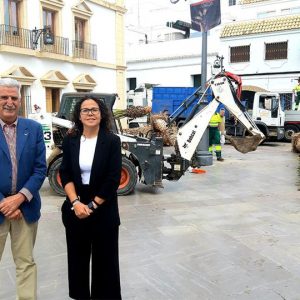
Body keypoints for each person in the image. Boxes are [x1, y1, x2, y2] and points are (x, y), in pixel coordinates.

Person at [59, 96, 122, 300]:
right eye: (85, 110)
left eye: (94, 109)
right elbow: (65, 173)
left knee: (106, 263)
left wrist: (93, 205)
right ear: (79, 115)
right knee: (77, 262)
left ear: (102, 113)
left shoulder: (112, 140)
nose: (90, 113)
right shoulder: (71, 140)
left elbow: (113, 178)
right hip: (76, 206)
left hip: (103, 207)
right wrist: (76, 203)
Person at [0, 78, 47, 299]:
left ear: (20, 101)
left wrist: (18, 199)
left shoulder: (34, 129)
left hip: (25, 209)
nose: (9, 102)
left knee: (26, 263)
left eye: (14, 98)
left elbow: (40, 169)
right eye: (3, 97)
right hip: (1, 207)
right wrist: (5, 203)